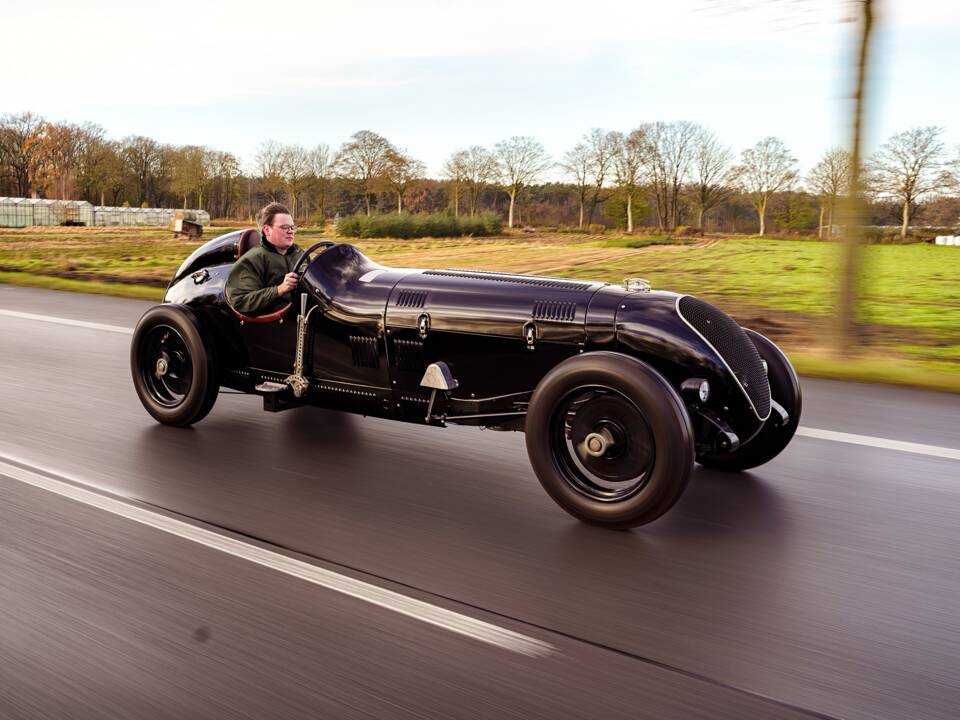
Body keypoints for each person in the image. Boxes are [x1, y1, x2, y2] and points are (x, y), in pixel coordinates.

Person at [226, 202, 302, 315]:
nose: (290, 231)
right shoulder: (252, 260)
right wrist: (280, 289)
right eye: (285, 227)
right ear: (267, 230)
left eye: (292, 227)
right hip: (279, 323)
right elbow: (240, 301)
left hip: (306, 312)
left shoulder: (299, 253)